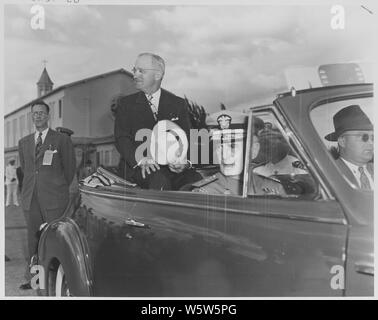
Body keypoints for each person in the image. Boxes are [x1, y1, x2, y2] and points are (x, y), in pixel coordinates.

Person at [114, 52, 201, 190]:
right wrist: (141, 160)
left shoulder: (178, 104)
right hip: (139, 168)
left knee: (196, 181)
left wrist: (185, 162)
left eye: (141, 71)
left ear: (158, 75)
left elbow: (188, 137)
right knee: (159, 181)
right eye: (134, 70)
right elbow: (121, 138)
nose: (135, 75)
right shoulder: (126, 104)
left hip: (172, 169)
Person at [18, 100, 76, 289]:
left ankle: (63, 282)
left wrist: (57, 189)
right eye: (35, 113)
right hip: (31, 199)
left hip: (55, 199)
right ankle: (36, 282)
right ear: (32, 116)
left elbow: (70, 170)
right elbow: (27, 170)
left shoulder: (61, 140)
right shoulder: (24, 142)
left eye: (42, 113)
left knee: (57, 240)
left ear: (48, 115)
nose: (38, 116)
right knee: (33, 242)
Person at [191, 111, 286, 196]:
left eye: (232, 146)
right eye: (219, 147)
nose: (224, 155)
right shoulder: (205, 193)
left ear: (253, 151)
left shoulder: (274, 187)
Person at [325, 104, 373, 190]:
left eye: (373, 138)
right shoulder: (329, 174)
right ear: (342, 141)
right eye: (363, 137)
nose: (371, 143)